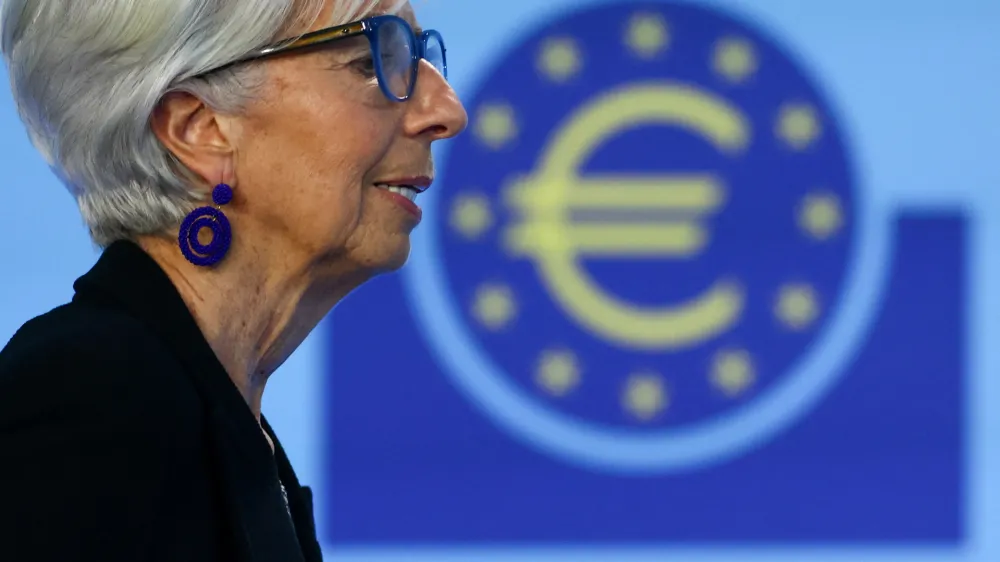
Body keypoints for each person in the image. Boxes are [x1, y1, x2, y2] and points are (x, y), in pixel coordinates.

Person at [0, 0, 467, 559]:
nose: (446, 111)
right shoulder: (83, 405)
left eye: (417, 56)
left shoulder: (224, 423)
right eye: (371, 62)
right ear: (198, 128)